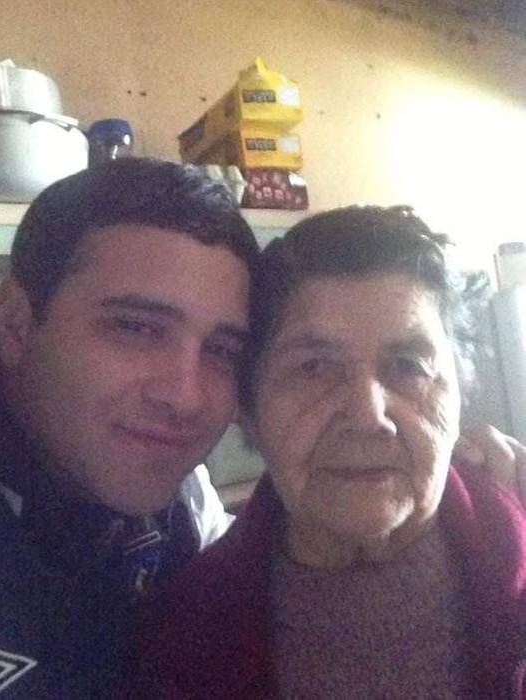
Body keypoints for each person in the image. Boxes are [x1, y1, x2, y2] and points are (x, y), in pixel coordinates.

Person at [126, 206, 526, 699]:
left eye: (408, 366)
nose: (368, 415)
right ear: (247, 409)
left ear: (460, 394)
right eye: (314, 367)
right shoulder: (181, 637)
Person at [0, 157, 260, 698]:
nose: (186, 398)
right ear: (15, 324)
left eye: (222, 350)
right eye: (135, 327)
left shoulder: (183, 495)